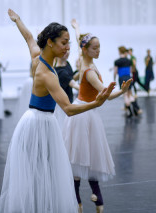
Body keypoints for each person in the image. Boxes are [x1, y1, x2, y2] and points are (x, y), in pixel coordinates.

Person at [0, 10, 117, 213]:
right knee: (44, 172)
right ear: (51, 43)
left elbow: (28, 37)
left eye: (69, 42)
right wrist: (96, 104)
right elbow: (69, 109)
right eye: (64, 42)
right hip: (38, 123)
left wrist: (17, 20)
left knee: (44, 172)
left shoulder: (38, 57)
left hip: (40, 120)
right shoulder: (47, 74)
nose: (68, 47)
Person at [63, 20, 132, 213]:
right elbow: (106, 96)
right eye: (95, 48)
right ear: (86, 50)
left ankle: (90, 201)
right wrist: (122, 91)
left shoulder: (85, 59)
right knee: (82, 158)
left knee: (85, 157)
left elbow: (79, 40)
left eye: (99, 47)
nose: (98, 50)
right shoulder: (89, 72)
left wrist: (76, 27)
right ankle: (86, 202)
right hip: (83, 113)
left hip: (86, 112)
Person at [54, 50, 79, 129]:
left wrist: (81, 70)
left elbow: (71, 78)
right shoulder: (59, 71)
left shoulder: (67, 64)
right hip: (62, 106)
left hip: (69, 101)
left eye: (68, 50)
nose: (67, 52)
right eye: (64, 50)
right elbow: (73, 83)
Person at [114, 46, 137, 117]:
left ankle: (130, 112)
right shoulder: (129, 60)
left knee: (125, 95)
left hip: (122, 78)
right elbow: (131, 70)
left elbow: (115, 72)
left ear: (120, 51)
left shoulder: (117, 61)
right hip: (129, 78)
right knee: (130, 94)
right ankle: (135, 110)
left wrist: (114, 79)